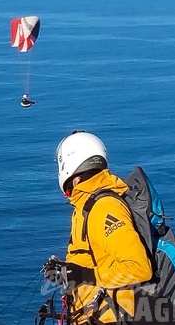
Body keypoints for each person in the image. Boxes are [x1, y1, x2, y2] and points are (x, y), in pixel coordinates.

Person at [44, 130, 152, 325]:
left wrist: (82, 275)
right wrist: (67, 271)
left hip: (111, 318)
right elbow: (96, 261)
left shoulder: (104, 208)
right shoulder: (85, 205)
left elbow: (139, 268)